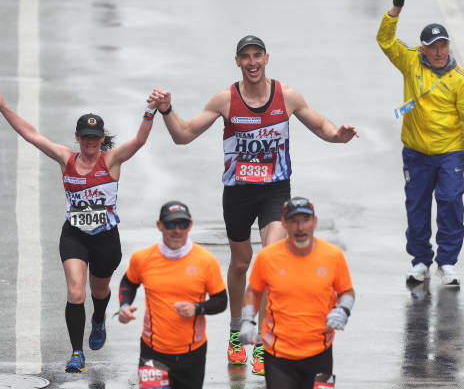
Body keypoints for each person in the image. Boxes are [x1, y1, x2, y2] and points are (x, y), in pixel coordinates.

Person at [147, 35, 358, 374]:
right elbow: (183, 135)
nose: (252, 62)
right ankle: (235, 332)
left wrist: (338, 135)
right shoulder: (225, 100)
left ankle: (261, 340)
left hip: (275, 190)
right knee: (241, 263)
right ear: (237, 62)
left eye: (257, 55)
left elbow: (321, 126)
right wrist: (167, 110)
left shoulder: (287, 96)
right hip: (238, 192)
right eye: (245, 56)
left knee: (270, 257)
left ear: (266, 58)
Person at [0, 83, 155, 372]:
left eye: (95, 137)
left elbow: (139, 141)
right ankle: (77, 353)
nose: (90, 142)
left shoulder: (111, 160)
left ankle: (99, 318)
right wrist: (3, 107)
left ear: (102, 138)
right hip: (74, 236)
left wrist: (151, 110)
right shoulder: (66, 158)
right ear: (77, 138)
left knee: (98, 291)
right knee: (76, 293)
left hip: (105, 238)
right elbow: (32, 135)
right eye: (85, 137)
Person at [376, 0, 464, 286]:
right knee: (416, 207)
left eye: (443, 45)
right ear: (423, 48)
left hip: (449, 153)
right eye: (433, 46)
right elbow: (385, 41)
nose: (439, 52)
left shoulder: (460, 79)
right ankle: (420, 261)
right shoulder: (410, 60)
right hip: (415, 153)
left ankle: (448, 262)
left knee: (451, 202)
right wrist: (395, 10)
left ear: (448, 46)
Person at [237, 196, 355, 389]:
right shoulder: (268, 257)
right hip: (278, 355)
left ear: (314, 222)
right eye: (293, 221)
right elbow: (253, 291)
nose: (300, 227)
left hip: (321, 351)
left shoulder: (332, 256)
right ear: (284, 224)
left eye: (305, 221)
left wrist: (343, 310)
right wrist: (247, 320)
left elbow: (347, 291)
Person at [117, 200, 227, 389]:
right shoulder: (143, 258)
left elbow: (221, 301)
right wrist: (124, 306)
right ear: (160, 226)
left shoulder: (205, 261)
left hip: (193, 353)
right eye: (170, 224)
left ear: (190, 226)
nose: (176, 230)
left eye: (182, 224)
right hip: (153, 352)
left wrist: (197, 308)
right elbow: (128, 282)